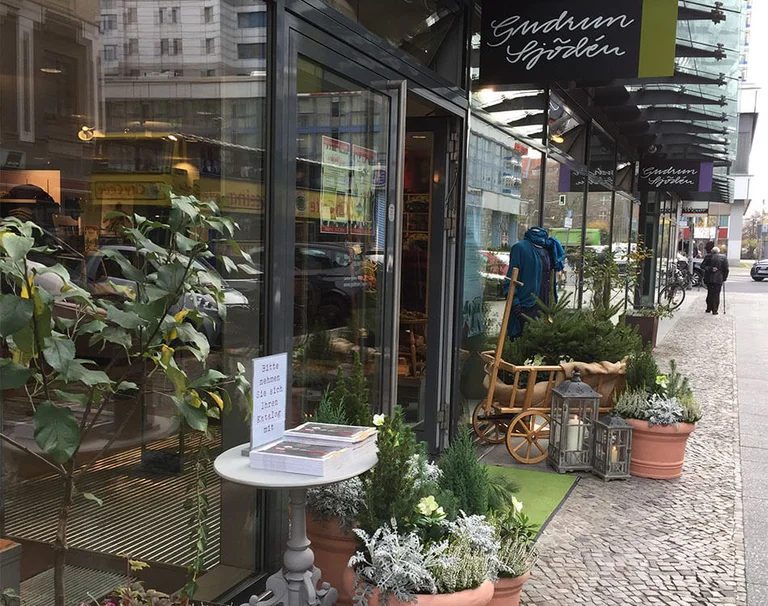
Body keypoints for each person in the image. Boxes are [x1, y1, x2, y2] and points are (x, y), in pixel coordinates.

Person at [504, 226, 565, 339]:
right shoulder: (520, 248)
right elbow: (511, 278)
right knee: (524, 341)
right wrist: (516, 305)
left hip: (545, 304)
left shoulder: (549, 248)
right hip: (527, 305)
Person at [701, 245, 729, 315]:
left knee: (710, 293)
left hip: (709, 278)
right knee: (716, 294)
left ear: (712, 252)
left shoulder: (708, 257)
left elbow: (702, 266)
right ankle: (715, 310)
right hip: (719, 278)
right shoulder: (723, 257)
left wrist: (710, 268)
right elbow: (726, 269)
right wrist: (724, 278)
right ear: (718, 252)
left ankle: (708, 308)